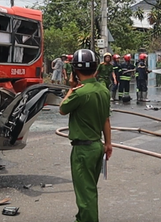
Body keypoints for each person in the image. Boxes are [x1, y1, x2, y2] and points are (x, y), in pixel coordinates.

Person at [59, 49, 112, 222]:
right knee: (88, 190)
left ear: (75, 70)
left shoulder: (79, 93)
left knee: (85, 195)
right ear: (96, 68)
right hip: (97, 146)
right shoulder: (103, 90)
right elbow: (106, 120)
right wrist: (108, 144)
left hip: (83, 150)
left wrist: (71, 89)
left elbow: (62, 108)